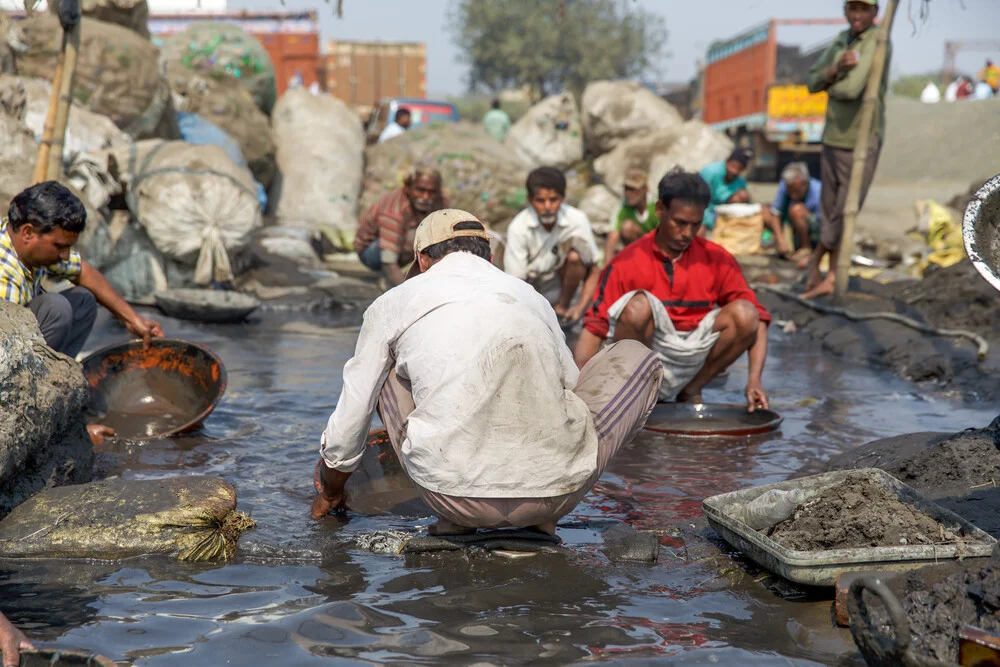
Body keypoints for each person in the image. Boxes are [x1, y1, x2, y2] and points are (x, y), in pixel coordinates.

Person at [312, 209, 663, 536]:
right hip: (556, 495)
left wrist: (331, 491)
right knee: (636, 356)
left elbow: (351, 419)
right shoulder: (530, 297)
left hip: (450, 495)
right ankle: (540, 522)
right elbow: (568, 384)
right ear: (490, 258)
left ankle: (455, 523)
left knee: (381, 367)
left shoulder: (394, 302)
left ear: (422, 260)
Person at [574, 170, 771, 410]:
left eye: (695, 224)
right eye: (680, 223)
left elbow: (759, 319)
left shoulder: (717, 258)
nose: (687, 233)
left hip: (694, 357)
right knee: (638, 307)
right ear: (660, 210)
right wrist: (578, 390)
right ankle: (638, 395)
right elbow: (595, 326)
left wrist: (754, 381)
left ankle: (691, 390)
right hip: (642, 358)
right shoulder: (625, 262)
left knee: (746, 313)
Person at [1, 182, 162, 444]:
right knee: (56, 308)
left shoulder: (21, 243)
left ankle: (55, 387)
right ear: (28, 233)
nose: (65, 256)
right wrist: (77, 434)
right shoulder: (4, 278)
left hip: (20, 345)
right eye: (59, 246)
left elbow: (82, 272)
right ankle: (41, 410)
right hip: (6, 369)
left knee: (83, 301)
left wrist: (133, 319)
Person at [801, 0, 890, 299]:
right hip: (833, 136)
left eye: (863, 10)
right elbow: (812, 81)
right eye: (852, 9)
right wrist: (837, 68)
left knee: (844, 210)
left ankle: (819, 267)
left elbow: (853, 90)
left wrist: (830, 81)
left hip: (860, 138)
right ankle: (824, 273)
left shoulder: (878, 41)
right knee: (829, 209)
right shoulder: (841, 41)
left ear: (874, 13)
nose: (857, 16)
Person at [504, 167, 601, 326]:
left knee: (575, 258)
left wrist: (580, 308)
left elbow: (594, 269)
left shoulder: (577, 220)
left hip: (562, 287)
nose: (548, 207)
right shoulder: (518, 228)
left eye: (554, 200)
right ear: (530, 199)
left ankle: (562, 309)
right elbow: (517, 281)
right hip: (533, 289)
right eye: (541, 201)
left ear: (562, 198)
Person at [353, 167, 447, 288]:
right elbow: (389, 261)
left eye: (431, 192)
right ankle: (393, 281)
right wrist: (405, 292)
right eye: (420, 190)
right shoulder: (394, 208)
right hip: (371, 250)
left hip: (400, 245)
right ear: (408, 188)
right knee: (419, 239)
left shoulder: (441, 201)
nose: (425, 197)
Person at [762, 162, 822, 262]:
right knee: (765, 212)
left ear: (804, 184)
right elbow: (775, 212)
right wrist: (780, 240)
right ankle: (782, 245)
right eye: (790, 192)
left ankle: (806, 248)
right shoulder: (786, 184)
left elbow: (824, 226)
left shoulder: (818, 191)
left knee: (796, 210)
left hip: (815, 230)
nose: (793, 196)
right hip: (790, 223)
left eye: (796, 191)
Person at [604, 168, 659, 263]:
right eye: (626, 189)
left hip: (657, 248)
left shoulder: (656, 205)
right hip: (636, 249)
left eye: (633, 189)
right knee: (627, 227)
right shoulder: (621, 207)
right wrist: (606, 267)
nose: (628, 193)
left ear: (645, 189)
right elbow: (612, 238)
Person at [698, 148, 752, 232]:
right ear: (727, 162)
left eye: (739, 168)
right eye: (733, 166)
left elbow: (747, 204)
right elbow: (699, 200)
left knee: (743, 195)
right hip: (704, 209)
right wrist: (708, 220)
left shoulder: (740, 181)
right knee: (700, 227)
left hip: (722, 213)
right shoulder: (710, 172)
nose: (734, 171)